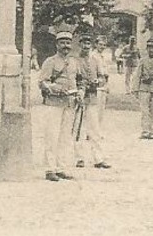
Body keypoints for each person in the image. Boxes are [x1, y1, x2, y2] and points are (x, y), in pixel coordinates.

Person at [36, 29, 81, 181]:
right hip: (53, 103)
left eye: (68, 43)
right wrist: (55, 88)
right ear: (57, 45)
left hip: (69, 104)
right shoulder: (51, 62)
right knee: (52, 136)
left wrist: (80, 92)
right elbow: (42, 82)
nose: (65, 46)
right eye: (62, 43)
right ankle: (50, 169)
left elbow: (80, 81)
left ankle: (61, 168)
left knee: (65, 137)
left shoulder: (74, 62)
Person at [75, 31, 114, 170]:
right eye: (83, 43)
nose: (86, 46)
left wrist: (98, 81)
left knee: (95, 129)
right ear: (79, 45)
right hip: (78, 99)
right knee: (78, 129)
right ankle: (79, 157)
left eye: (88, 43)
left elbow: (102, 77)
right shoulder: (74, 60)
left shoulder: (95, 61)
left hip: (92, 98)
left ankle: (98, 158)